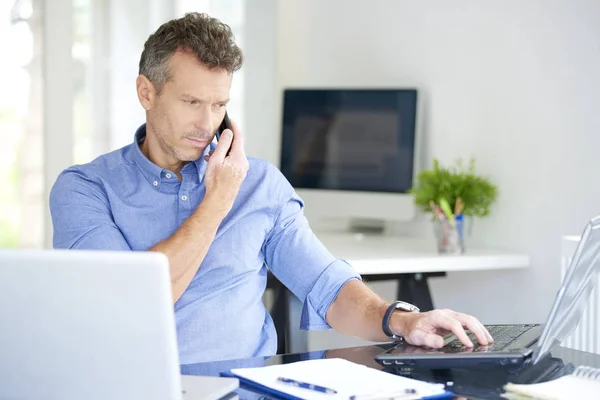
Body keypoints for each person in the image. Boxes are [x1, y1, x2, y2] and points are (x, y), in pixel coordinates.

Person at [49, 12, 493, 364]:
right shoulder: (85, 190)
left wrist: (400, 320)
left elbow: (327, 285)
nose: (207, 124)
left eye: (219, 104)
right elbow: (129, 305)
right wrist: (219, 199)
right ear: (146, 92)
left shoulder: (259, 183)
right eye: (191, 102)